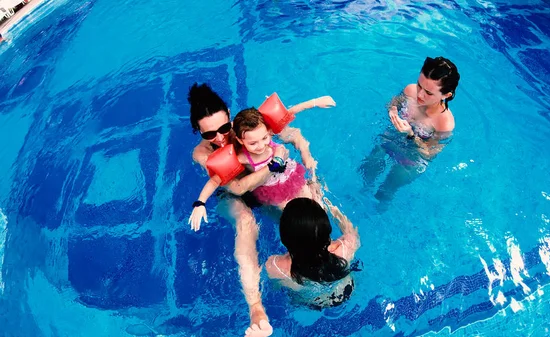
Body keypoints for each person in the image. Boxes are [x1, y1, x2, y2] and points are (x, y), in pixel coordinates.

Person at [187, 83, 335, 336]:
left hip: (268, 185)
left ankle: (321, 257)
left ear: (231, 116)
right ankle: (256, 309)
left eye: (224, 128)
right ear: (198, 132)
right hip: (236, 193)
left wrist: (305, 152)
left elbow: (292, 133)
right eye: (210, 134)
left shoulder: (247, 128)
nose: (221, 138)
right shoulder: (201, 154)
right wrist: (274, 163)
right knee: (246, 222)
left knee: (309, 196)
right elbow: (236, 188)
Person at [190, 108, 318, 225]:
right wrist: (200, 202)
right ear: (241, 141)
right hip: (273, 189)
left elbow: (287, 115)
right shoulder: (240, 157)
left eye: (264, 138)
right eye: (253, 143)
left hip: (290, 175)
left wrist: (314, 103)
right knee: (295, 216)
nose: (261, 145)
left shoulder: (258, 131)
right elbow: (216, 180)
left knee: (315, 201)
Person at [359, 56, 460, 204]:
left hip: (410, 160)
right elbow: (393, 104)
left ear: (446, 95)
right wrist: (393, 111)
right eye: (419, 85)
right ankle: (360, 196)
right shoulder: (410, 90)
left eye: (429, 93)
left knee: (386, 191)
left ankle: (375, 213)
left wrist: (411, 135)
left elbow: (429, 154)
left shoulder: (444, 123)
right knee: (367, 172)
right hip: (390, 139)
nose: (420, 94)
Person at [266, 197, 360, 308]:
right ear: (327, 230)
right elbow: (350, 230)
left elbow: (274, 288)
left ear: (284, 239)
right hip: (348, 290)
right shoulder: (345, 247)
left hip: (313, 304)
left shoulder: (275, 267)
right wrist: (331, 207)